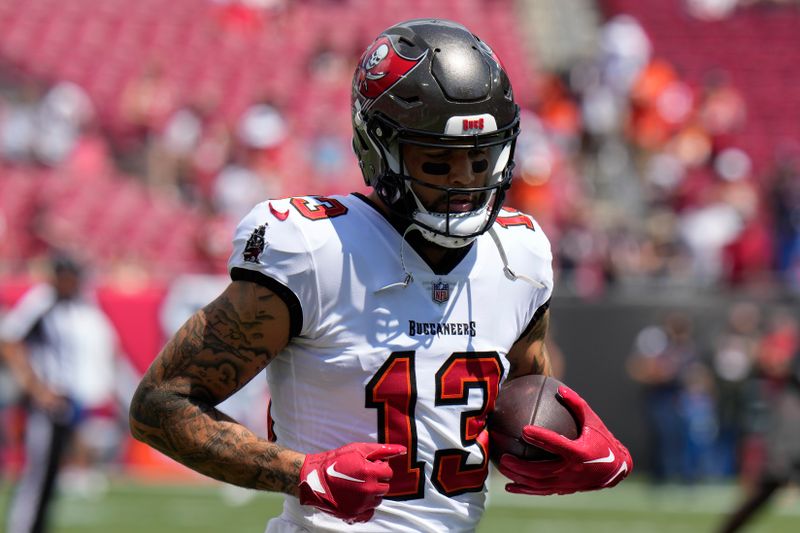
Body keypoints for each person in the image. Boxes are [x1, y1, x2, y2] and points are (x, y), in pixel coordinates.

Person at [129, 19, 632, 532]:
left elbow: (515, 402)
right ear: (378, 149)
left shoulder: (518, 254)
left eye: (479, 160)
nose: (463, 182)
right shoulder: (315, 250)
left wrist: (578, 443)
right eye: (438, 162)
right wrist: (302, 473)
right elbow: (162, 403)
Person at [0, 255, 120, 533]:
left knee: (52, 476)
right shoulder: (43, 301)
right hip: (47, 404)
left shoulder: (80, 304)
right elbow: (9, 341)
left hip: (70, 401)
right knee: (38, 474)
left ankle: (37, 526)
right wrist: (37, 388)